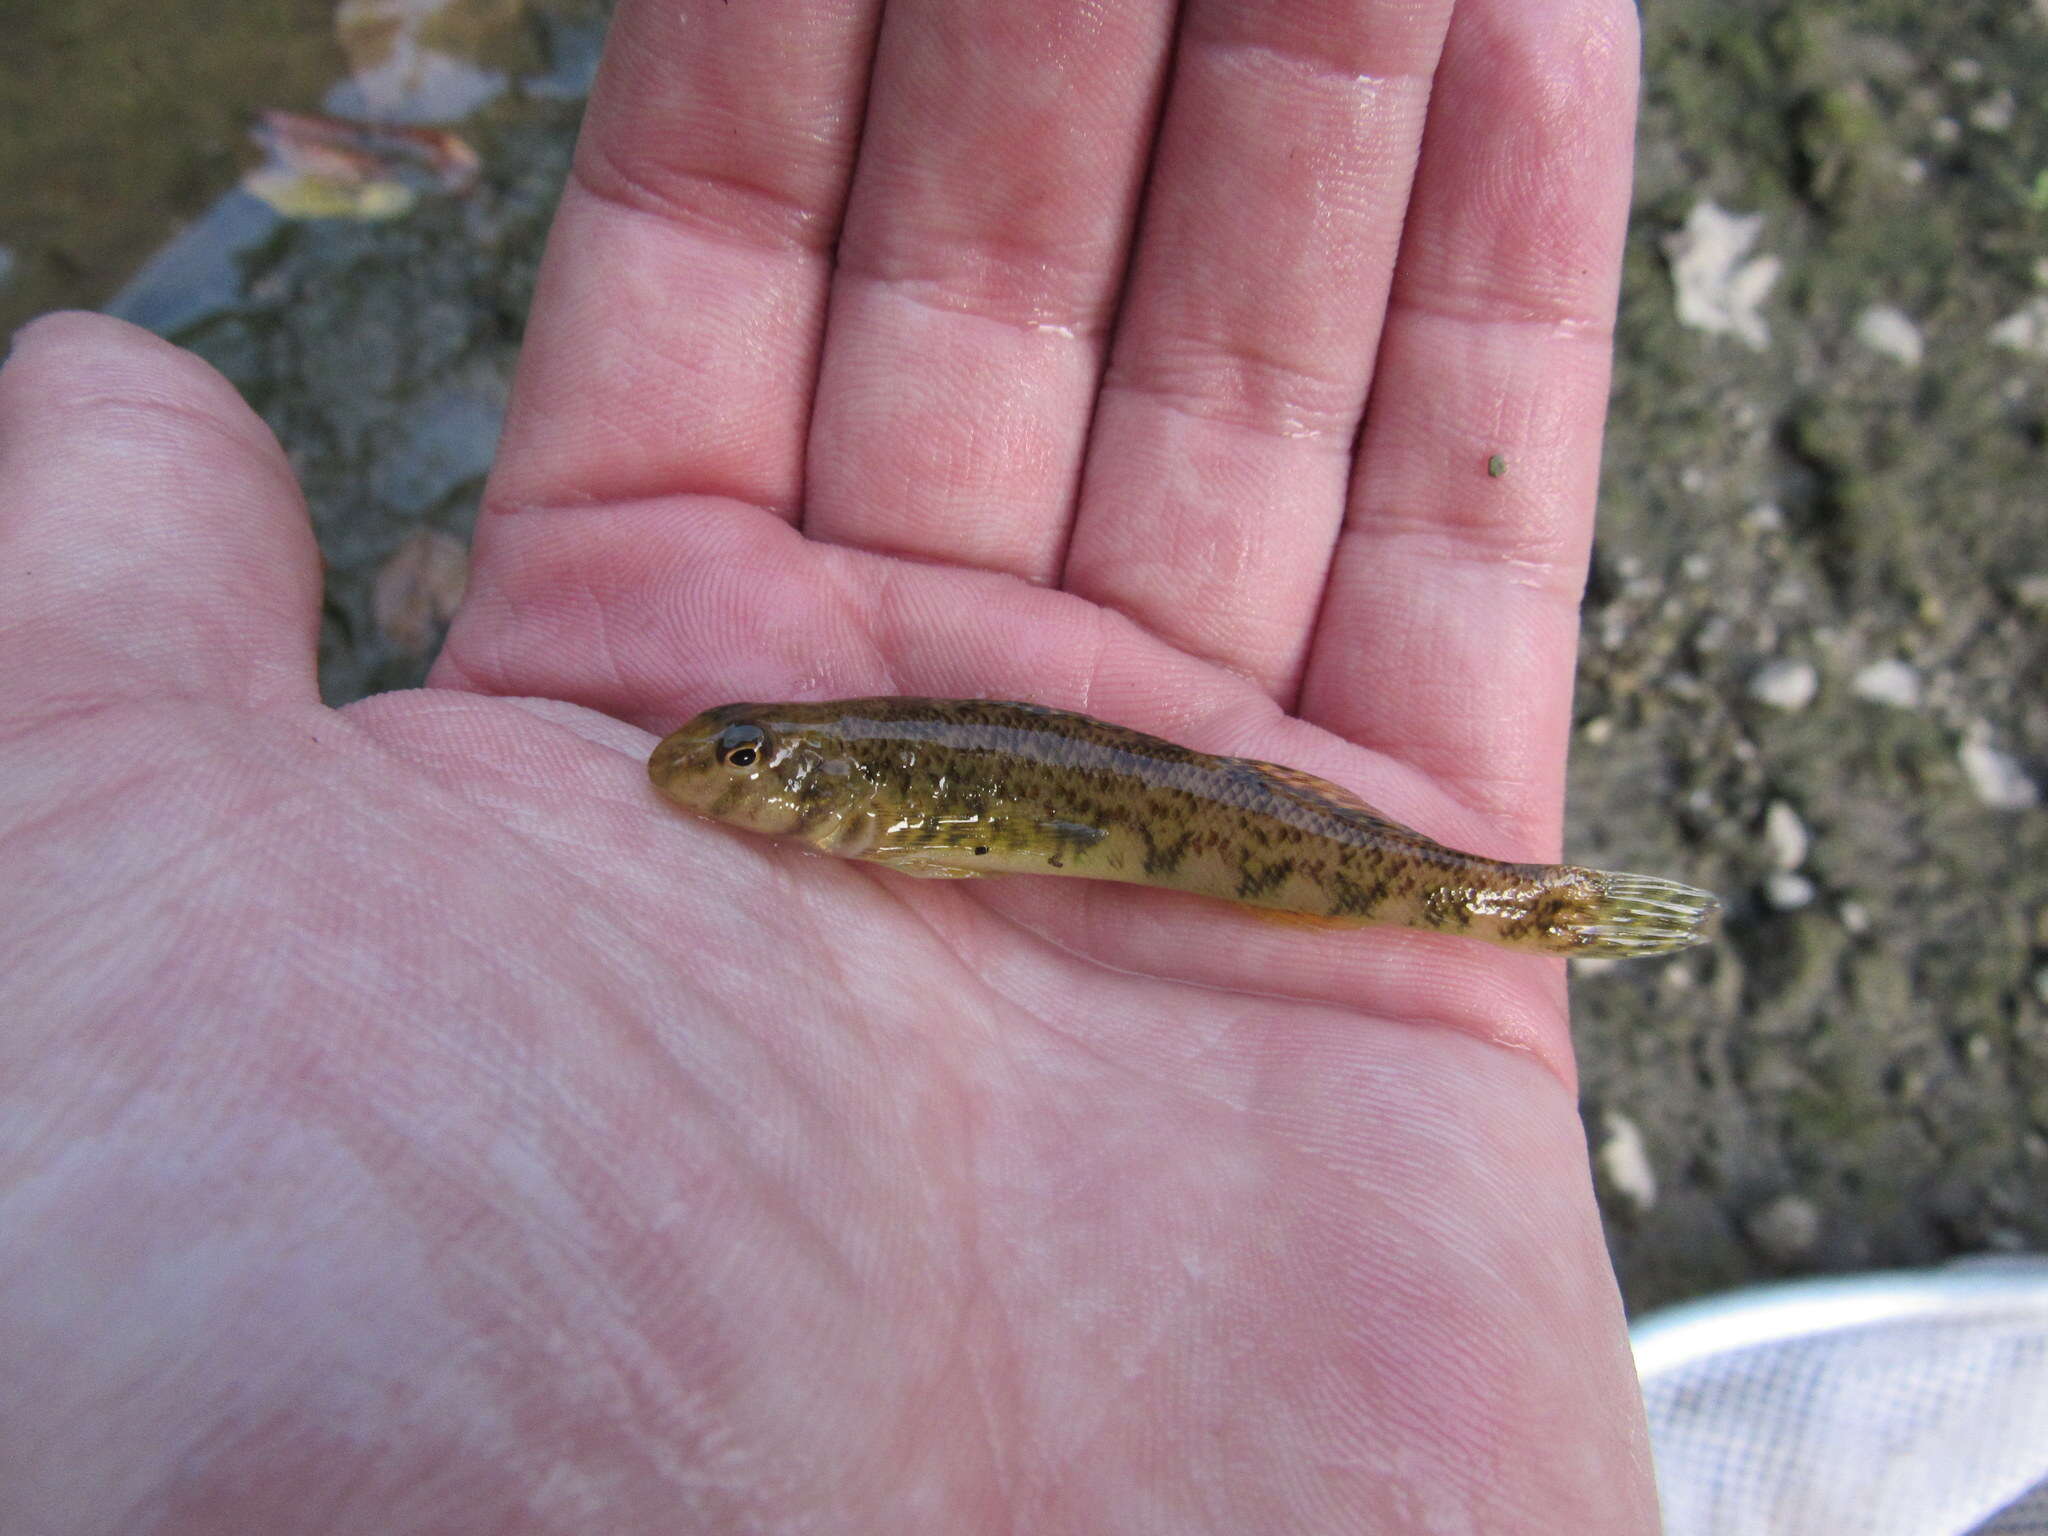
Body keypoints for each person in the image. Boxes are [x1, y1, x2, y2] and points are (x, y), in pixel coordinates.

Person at [0, 0, 1654, 1528]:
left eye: (758, 762)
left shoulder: (886, 792)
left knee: (1377, 872)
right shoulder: (860, 792)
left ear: (847, 789)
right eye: (746, 762)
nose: (729, 777)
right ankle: (1511, 909)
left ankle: (1510, 908)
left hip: (1252, 842)